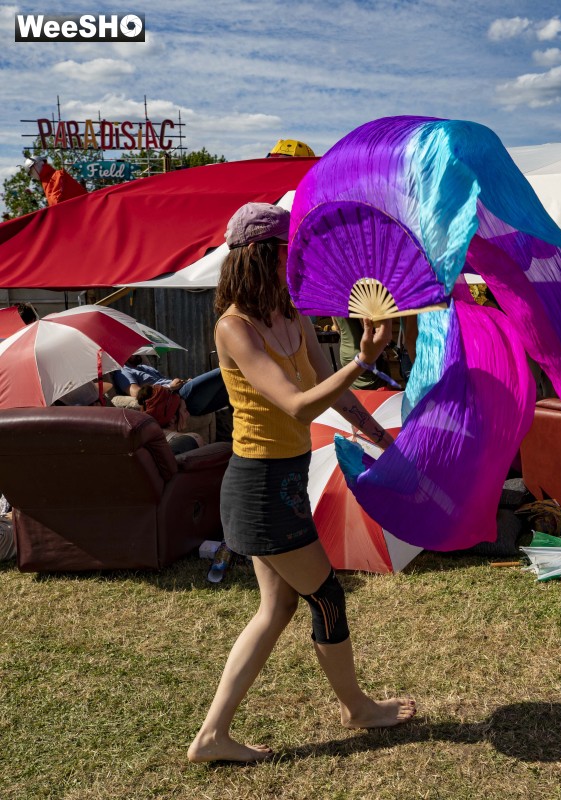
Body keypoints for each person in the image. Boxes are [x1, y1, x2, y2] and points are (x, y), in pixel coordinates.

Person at [188, 203, 414, 763]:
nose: (299, 264)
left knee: (276, 608)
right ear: (260, 258)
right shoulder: (234, 328)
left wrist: (384, 442)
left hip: (282, 479)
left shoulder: (293, 315)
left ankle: (212, 737)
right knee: (327, 595)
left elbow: (333, 393)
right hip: (259, 486)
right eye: (289, 254)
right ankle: (357, 708)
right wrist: (361, 360)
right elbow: (294, 405)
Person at [114, 354, 230, 416]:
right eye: (133, 351)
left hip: (181, 390)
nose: (137, 352)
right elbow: (137, 393)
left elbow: (164, 382)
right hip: (175, 396)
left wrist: (183, 381)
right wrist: (170, 387)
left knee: (231, 392)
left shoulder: (144, 367)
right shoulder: (123, 372)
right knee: (224, 372)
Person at [137, 385, 204, 455]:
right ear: (172, 418)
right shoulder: (192, 439)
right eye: (184, 410)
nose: (188, 414)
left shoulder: (140, 442)